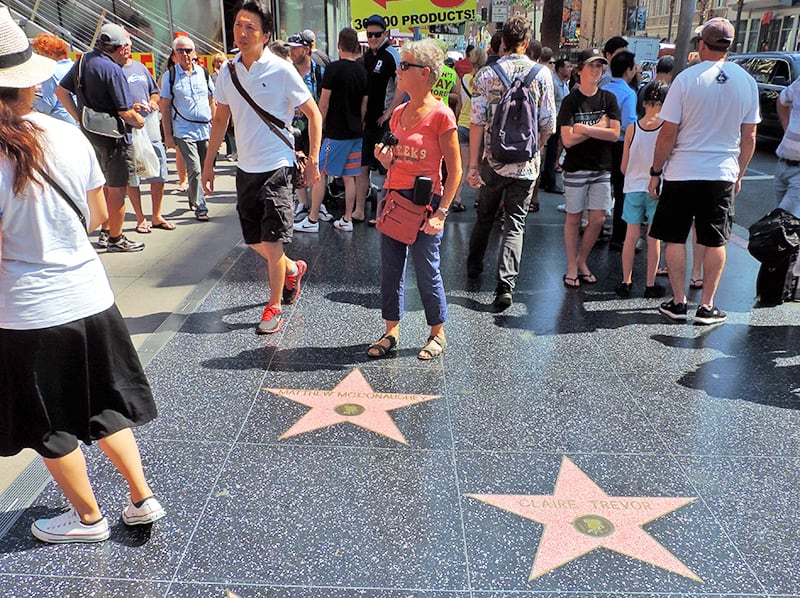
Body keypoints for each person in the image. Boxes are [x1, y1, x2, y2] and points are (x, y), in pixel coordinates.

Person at [0, 7, 164, 544]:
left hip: (29, 310)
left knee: (48, 420)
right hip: (92, 295)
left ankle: (87, 518)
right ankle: (142, 498)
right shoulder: (64, 132)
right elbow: (97, 216)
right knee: (104, 402)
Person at [201, 0, 321, 335]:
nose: (242, 32)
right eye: (238, 25)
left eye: (250, 27)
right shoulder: (227, 72)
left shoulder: (281, 70)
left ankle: (274, 304)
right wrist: (208, 165)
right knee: (254, 239)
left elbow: (314, 114)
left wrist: (313, 159)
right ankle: (292, 270)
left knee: (272, 242)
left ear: (265, 35)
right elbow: (220, 119)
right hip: (246, 169)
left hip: (278, 167)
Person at [648, 18, 760, 325]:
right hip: (721, 172)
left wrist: (655, 171)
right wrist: (738, 173)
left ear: (701, 44)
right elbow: (749, 136)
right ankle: (707, 305)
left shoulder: (686, 79)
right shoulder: (746, 81)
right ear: (729, 46)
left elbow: (667, 133)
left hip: (682, 170)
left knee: (674, 237)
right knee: (715, 240)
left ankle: (679, 302)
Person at [366, 38, 461, 361]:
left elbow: (455, 170)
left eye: (404, 66)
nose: (398, 70)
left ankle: (437, 331)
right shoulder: (399, 113)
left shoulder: (441, 116)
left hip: (425, 203)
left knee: (426, 269)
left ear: (424, 73)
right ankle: (391, 330)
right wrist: (385, 158)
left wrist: (442, 213)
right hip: (395, 199)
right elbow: (393, 157)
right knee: (391, 269)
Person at [466, 16, 555, 310]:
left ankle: (474, 265)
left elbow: (476, 122)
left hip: (493, 160)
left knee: (485, 216)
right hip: (526, 165)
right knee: (515, 223)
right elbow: (548, 125)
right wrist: (534, 150)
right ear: (527, 43)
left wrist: (472, 164)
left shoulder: (486, 75)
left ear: (503, 43)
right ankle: (505, 284)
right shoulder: (541, 75)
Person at [56, 23, 146, 253]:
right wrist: (140, 120)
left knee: (101, 184)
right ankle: (116, 237)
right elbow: (125, 113)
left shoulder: (84, 60)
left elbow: (61, 91)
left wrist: (80, 116)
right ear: (120, 48)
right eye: (126, 46)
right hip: (114, 138)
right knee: (117, 189)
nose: (128, 50)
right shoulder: (112, 69)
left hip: (90, 134)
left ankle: (106, 231)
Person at [559, 48, 620, 289]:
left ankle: (581, 260)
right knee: (573, 217)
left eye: (600, 66)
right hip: (576, 168)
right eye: (592, 65)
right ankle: (572, 267)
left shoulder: (608, 99)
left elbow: (614, 134)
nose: (596, 70)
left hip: (602, 168)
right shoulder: (570, 101)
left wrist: (583, 128)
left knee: (598, 218)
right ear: (580, 69)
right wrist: (596, 127)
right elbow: (567, 140)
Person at [305, 27, 367, 232]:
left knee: (319, 173)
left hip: (336, 132)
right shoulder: (362, 70)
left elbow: (323, 103)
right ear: (356, 45)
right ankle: (347, 219)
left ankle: (313, 219)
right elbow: (364, 106)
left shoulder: (333, 69)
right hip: (356, 131)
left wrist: (319, 126)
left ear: (339, 45)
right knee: (349, 176)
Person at [615, 81, 669, 299]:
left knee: (630, 237)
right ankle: (649, 283)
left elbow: (623, 166)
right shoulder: (666, 129)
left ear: (643, 103)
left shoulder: (632, 128)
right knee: (653, 238)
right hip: (656, 189)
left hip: (633, 187)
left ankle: (625, 281)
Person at [160, 35, 215, 221]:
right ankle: (201, 206)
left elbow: (212, 99)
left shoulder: (203, 72)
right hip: (183, 129)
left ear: (194, 53)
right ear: (174, 54)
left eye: (188, 50)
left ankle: (193, 197)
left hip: (204, 129)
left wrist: (216, 124)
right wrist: (168, 135)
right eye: (180, 51)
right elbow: (165, 105)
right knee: (195, 168)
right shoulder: (170, 75)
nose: (185, 54)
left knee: (203, 166)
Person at [356, 14, 405, 223]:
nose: (373, 38)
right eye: (369, 34)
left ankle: (386, 212)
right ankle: (359, 209)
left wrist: (389, 113)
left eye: (377, 34)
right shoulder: (368, 56)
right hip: (369, 122)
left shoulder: (391, 55)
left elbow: (402, 86)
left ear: (385, 33)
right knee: (363, 165)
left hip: (385, 122)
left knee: (388, 168)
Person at [122, 40, 174, 232]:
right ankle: (140, 218)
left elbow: (155, 92)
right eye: (121, 45)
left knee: (159, 169)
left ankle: (157, 215)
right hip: (129, 128)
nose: (125, 48)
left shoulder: (140, 67)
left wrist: (153, 102)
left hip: (150, 126)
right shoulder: (113, 71)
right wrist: (131, 108)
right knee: (133, 173)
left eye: (127, 44)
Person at [286, 32, 332, 230]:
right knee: (297, 163)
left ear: (306, 50)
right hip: (295, 126)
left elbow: (325, 99)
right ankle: (303, 203)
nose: (292, 51)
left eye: (296, 48)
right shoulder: (288, 71)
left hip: (315, 125)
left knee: (317, 164)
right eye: (291, 48)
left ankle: (317, 204)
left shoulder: (319, 71)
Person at [604, 50, 639, 251]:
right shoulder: (628, 93)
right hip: (619, 144)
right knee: (621, 191)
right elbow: (628, 123)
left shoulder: (603, 88)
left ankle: (596, 229)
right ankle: (619, 237)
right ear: (628, 70)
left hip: (600, 141)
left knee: (599, 187)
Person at [452, 47, 488, 211]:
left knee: (463, 166)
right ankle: (479, 198)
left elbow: (459, 103)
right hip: (478, 127)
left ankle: (457, 197)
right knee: (479, 166)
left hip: (463, 124)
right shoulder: (485, 80)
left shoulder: (464, 78)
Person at [540, 56, 571, 193]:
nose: (570, 69)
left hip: (560, 121)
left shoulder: (564, 83)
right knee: (550, 151)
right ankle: (549, 181)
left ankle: (546, 179)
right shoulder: (553, 83)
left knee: (553, 151)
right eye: (567, 66)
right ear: (559, 69)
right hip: (553, 120)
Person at [31, 33, 76, 125]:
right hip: (75, 119)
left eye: (40, 53)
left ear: (50, 54)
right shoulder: (73, 66)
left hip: (59, 120)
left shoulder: (51, 72)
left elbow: (48, 104)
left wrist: (31, 110)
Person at [211, 52, 237, 160]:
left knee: (233, 130)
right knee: (228, 131)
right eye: (216, 62)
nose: (218, 64)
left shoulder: (231, 73)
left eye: (220, 61)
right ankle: (232, 151)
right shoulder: (213, 76)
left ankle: (235, 151)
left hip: (232, 106)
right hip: (220, 105)